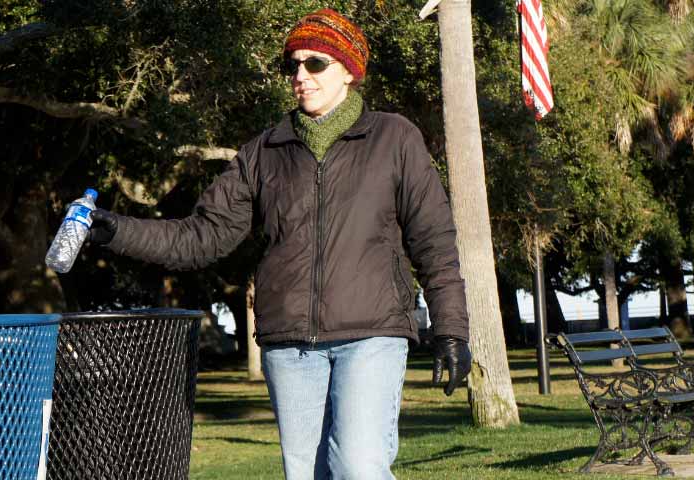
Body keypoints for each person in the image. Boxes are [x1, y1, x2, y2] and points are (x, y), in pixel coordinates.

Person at [87, 8, 471, 480]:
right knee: (306, 475)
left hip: (372, 333)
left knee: (358, 466)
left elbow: (433, 241)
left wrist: (451, 331)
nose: (300, 76)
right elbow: (201, 236)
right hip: (288, 345)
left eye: (315, 64)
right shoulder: (263, 152)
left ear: (349, 71)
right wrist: (117, 230)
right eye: (293, 64)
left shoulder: (394, 137)